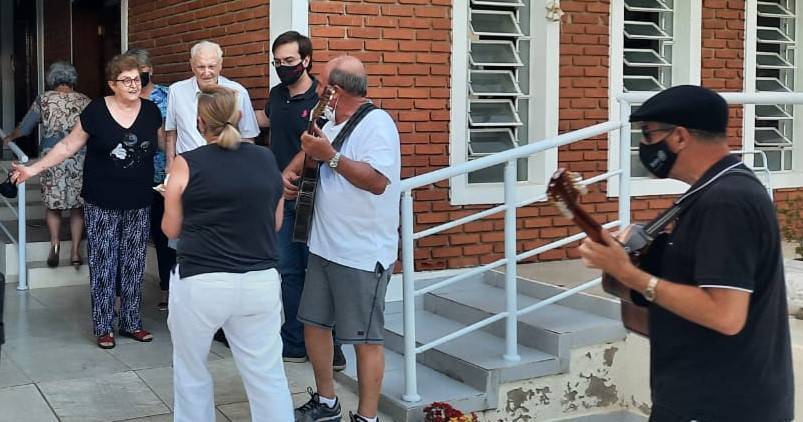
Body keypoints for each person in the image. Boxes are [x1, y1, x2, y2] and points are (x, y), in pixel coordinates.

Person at [577, 85, 794, 421]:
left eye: (648, 134)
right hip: (697, 398)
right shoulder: (708, 194)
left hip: (722, 407)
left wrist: (629, 273)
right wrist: (627, 268)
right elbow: (670, 298)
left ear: (679, 137)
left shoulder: (727, 201)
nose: (644, 145)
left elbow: (725, 314)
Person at [11, 55, 161, 349]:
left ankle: (131, 321)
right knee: (104, 262)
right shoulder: (96, 110)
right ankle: (104, 325)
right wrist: (33, 169)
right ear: (112, 84)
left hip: (139, 199)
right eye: (126, 80)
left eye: (137, 79)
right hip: (101, 199)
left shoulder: (152, 111)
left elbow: (164, 145)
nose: (133, 85)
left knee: (134, 263)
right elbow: (68, 145)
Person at [162, 86, 292, 422]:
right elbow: (276, 222)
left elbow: (171, 230)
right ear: (239, 116)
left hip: (202, 281)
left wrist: (173, 198)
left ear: (199, 122)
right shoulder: (266, 159)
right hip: (260, 280)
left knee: (191, 371)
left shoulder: (186, 163)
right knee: (267, 376)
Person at [291, 56, 400, 422]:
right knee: (314, 324)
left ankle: (367, 417)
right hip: (324, 246)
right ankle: (326, 403)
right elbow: (310, 152)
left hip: (361, 254)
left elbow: (378, 181)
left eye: (322, 86)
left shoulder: (377, 124)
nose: (317, 92)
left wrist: (332, 157)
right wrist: (291, 174)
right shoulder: (331, 121)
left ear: (335, 92)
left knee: (365, 340)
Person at [258, 30, 346, 370]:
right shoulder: (277, 94)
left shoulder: (322, 98)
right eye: (277, 62)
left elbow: (323, 144)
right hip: (280, 195)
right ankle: (294, 341)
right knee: (289, 271)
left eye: (289, 61)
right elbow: (266, 122)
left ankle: (332, 344)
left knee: (319, 271)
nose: (283, 67)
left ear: (306, 60)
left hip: (315, 194)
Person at [3, 61, 90, 268]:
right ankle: (75, 252)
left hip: (51, 157)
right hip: (79, 156)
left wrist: (9, 138)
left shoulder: (44, 99)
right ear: (72, 78)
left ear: (52, 79)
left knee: (52, 204)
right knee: (78, 206)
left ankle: (55, 243)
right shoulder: (86, 101)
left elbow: (25, 128)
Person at [125, 48, 175, 310]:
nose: (136, 78)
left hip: (160, 177)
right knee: (130, 236)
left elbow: (171, 138)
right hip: (130, 176)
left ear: (150, 70)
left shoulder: (167, 97)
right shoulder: (124, 98)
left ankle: (167, 289)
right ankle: (126, 294)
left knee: (163, 236)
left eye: (140, 72)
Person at [165, 40, 259, 171]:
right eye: (201, 67)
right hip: (187, 167)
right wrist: (170, 165)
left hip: (226, 167)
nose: (206, 72)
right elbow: (171, 133)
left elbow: (248, 137)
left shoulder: (238, 92)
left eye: (211, 66)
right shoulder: (176, 91)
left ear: (220, 65)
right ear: (192, 65)